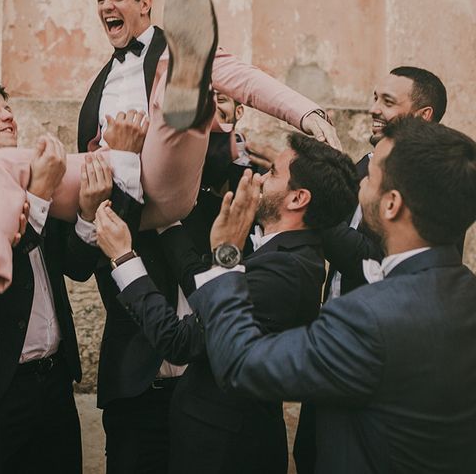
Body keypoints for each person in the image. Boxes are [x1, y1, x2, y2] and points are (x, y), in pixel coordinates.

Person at [0, 0, 339, 296]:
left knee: (174, 106)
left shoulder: (173, 54)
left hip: (163, 180)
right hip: (109, 187)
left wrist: (308, 114)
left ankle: (188, 98)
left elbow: (246, 81)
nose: (106, 5)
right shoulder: (100, 82)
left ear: (145, 4)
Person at [189, 117, 476, 474]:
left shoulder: (366, 318)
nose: (362, 183)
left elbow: (241, 366)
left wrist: (227, 256)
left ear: (391, 205)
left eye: (371, 175)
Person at [0, 84, 138, 474]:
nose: (8, 116)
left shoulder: (40, 180)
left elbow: (76, 267)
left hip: (53, 383)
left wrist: (85, 213)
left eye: (9, 108)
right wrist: (40, 195)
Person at [93, 135, 358, 473]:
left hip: (224, 449)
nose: (260, 178)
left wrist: (123, 257)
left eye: (273, 173)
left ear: (297, 198)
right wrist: (168, 220)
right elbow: (205, 284)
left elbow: (179, 340)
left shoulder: (286, 272)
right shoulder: (282, 250)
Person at [323, 66, 449, 300]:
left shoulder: (431, 179)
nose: (374, 110)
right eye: (375, 99)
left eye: (388, 102)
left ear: (423, 115)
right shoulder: (367, 162)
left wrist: (313, 212)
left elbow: (373, 260)